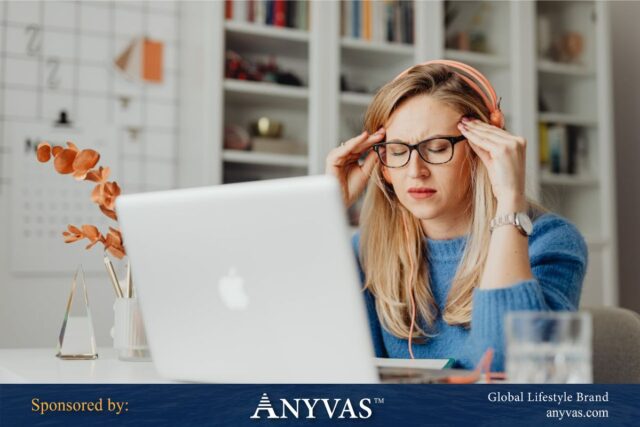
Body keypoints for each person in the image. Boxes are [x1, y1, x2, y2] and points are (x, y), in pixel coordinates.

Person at [325, 60, 588, 371]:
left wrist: (508, 202)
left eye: (436, 148)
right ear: (382, 165)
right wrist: (326, 210)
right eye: (397, 152)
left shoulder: (551, 242)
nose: (415, 171)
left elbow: (510, 369)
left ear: (482, 150)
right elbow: (329, 362)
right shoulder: (366, 250)